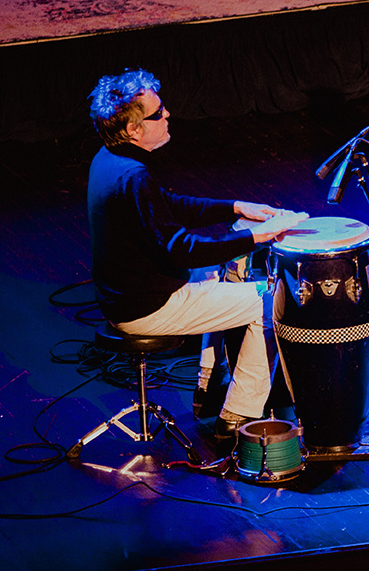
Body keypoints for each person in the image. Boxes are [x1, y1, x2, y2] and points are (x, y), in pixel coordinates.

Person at [86, 68, 308, 436]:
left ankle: (209, 384)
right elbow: (183, 251)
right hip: (146, 307)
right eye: (157, 113)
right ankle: (240, 413)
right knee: (272, 302)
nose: (167, 114)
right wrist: (258, 236)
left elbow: (167, 205)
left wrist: (235, 207)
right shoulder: (132, 177)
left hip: (129, 294)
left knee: (221, 275)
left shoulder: (109, 160)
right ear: (134, 130)